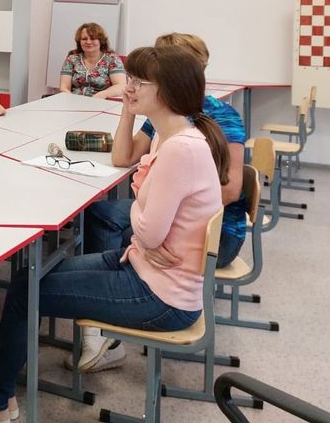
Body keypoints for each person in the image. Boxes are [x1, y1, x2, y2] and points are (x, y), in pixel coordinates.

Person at [0, 45, 228, 422]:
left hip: (161, 295)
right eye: (131, 79)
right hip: (144, 266)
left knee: (24, 294)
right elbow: (146, 224)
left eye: (140, 82)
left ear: (169, 91)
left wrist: (142, 223)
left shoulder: (180, 150)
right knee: (26, 280)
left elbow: (148, 232)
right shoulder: (170, 137)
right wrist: (143, 222)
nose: (129, 87)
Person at [74, 32, 247, 372]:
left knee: (121, 225)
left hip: (215, 236)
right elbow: (123, 158)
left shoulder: (218, 118)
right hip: (174, 221)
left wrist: (152, 237)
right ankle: (111, 311)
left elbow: (229, 192)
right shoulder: (165, 117)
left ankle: (117, 310)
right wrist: (128, 111)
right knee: (104, 214)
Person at [58, 22, 126, 98]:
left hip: (101, 100)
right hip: (74, 100)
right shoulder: (71, 59)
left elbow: (120, 86)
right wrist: (72, 99)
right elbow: (64, 88)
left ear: (101, 41)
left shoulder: (112, 59)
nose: (88, 42)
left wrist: (100, 96)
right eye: (84, 39)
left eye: (93, 38)